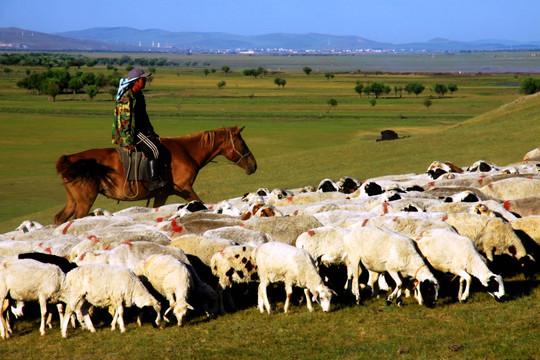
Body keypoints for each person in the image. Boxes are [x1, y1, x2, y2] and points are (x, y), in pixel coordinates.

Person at [112, 68, 167, 191]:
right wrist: (127, 142)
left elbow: (143, 116)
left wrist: (151, 131)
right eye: (143, 79)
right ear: (136, 81)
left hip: (141, 130)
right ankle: (153, 181)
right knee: (154, 149)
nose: (145, 81)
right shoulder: (127, 97)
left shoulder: (139, 95)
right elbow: (124, 122)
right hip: (132, 133)